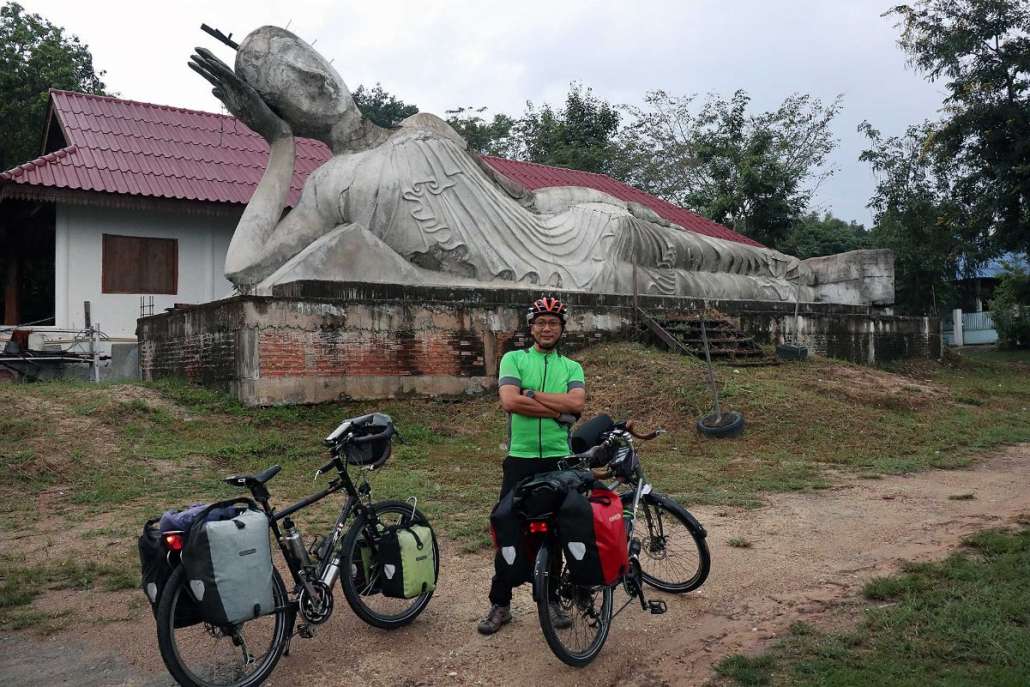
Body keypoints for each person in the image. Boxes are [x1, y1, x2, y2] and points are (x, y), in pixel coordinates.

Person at [477, 296, 586, 635]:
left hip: (558, 459)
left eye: (553, 323)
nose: (547, 328)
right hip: (521, 459)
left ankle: (551, 600)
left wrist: (534, 397)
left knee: (555, 532)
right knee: (509, 527)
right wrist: (558, 411)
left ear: (561, 328)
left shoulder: (572, 367)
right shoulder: (514, 358)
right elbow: (509, 400)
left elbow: (577, 404)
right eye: (541, 322)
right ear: (531, 327)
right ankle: (501, 603)